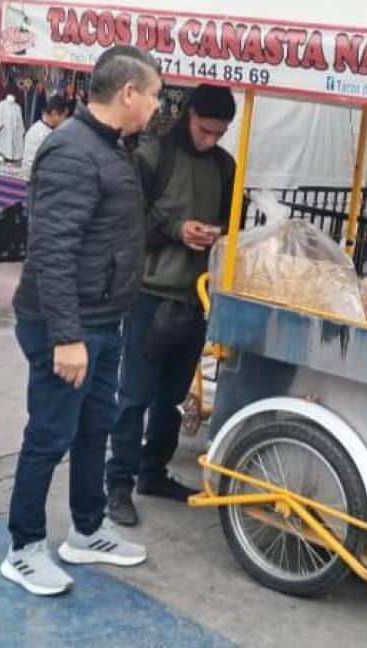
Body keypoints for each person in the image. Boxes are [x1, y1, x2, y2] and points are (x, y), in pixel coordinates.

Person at [1, 45, 162, 597]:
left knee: (96, 426)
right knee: (49, 434)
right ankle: (23, 548)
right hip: (63, 325)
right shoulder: (72, 151)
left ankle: (87, 530)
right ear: (129, 94)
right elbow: (52, 250)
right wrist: (67, 337)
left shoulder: (113, 147)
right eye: (156, 96)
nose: (158, 108)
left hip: (102, 320)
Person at [106, 84, 237, 526]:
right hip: (149, 294)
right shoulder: (152, 156)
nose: (210, 140)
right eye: (204, 130)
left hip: (196, 297)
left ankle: (153, 471)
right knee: (134, 396)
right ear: (188, 115)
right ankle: (118, 484)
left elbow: (234, 223)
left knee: (173, 399)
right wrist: (177, 230)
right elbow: (127, 221)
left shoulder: (225, 166)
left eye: (219, 134)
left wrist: (218, 234)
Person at [21, 95, 71, 175]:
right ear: (54, 113)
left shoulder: (40, 128)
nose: (65, 120)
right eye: (64, 116)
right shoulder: (40, 133)